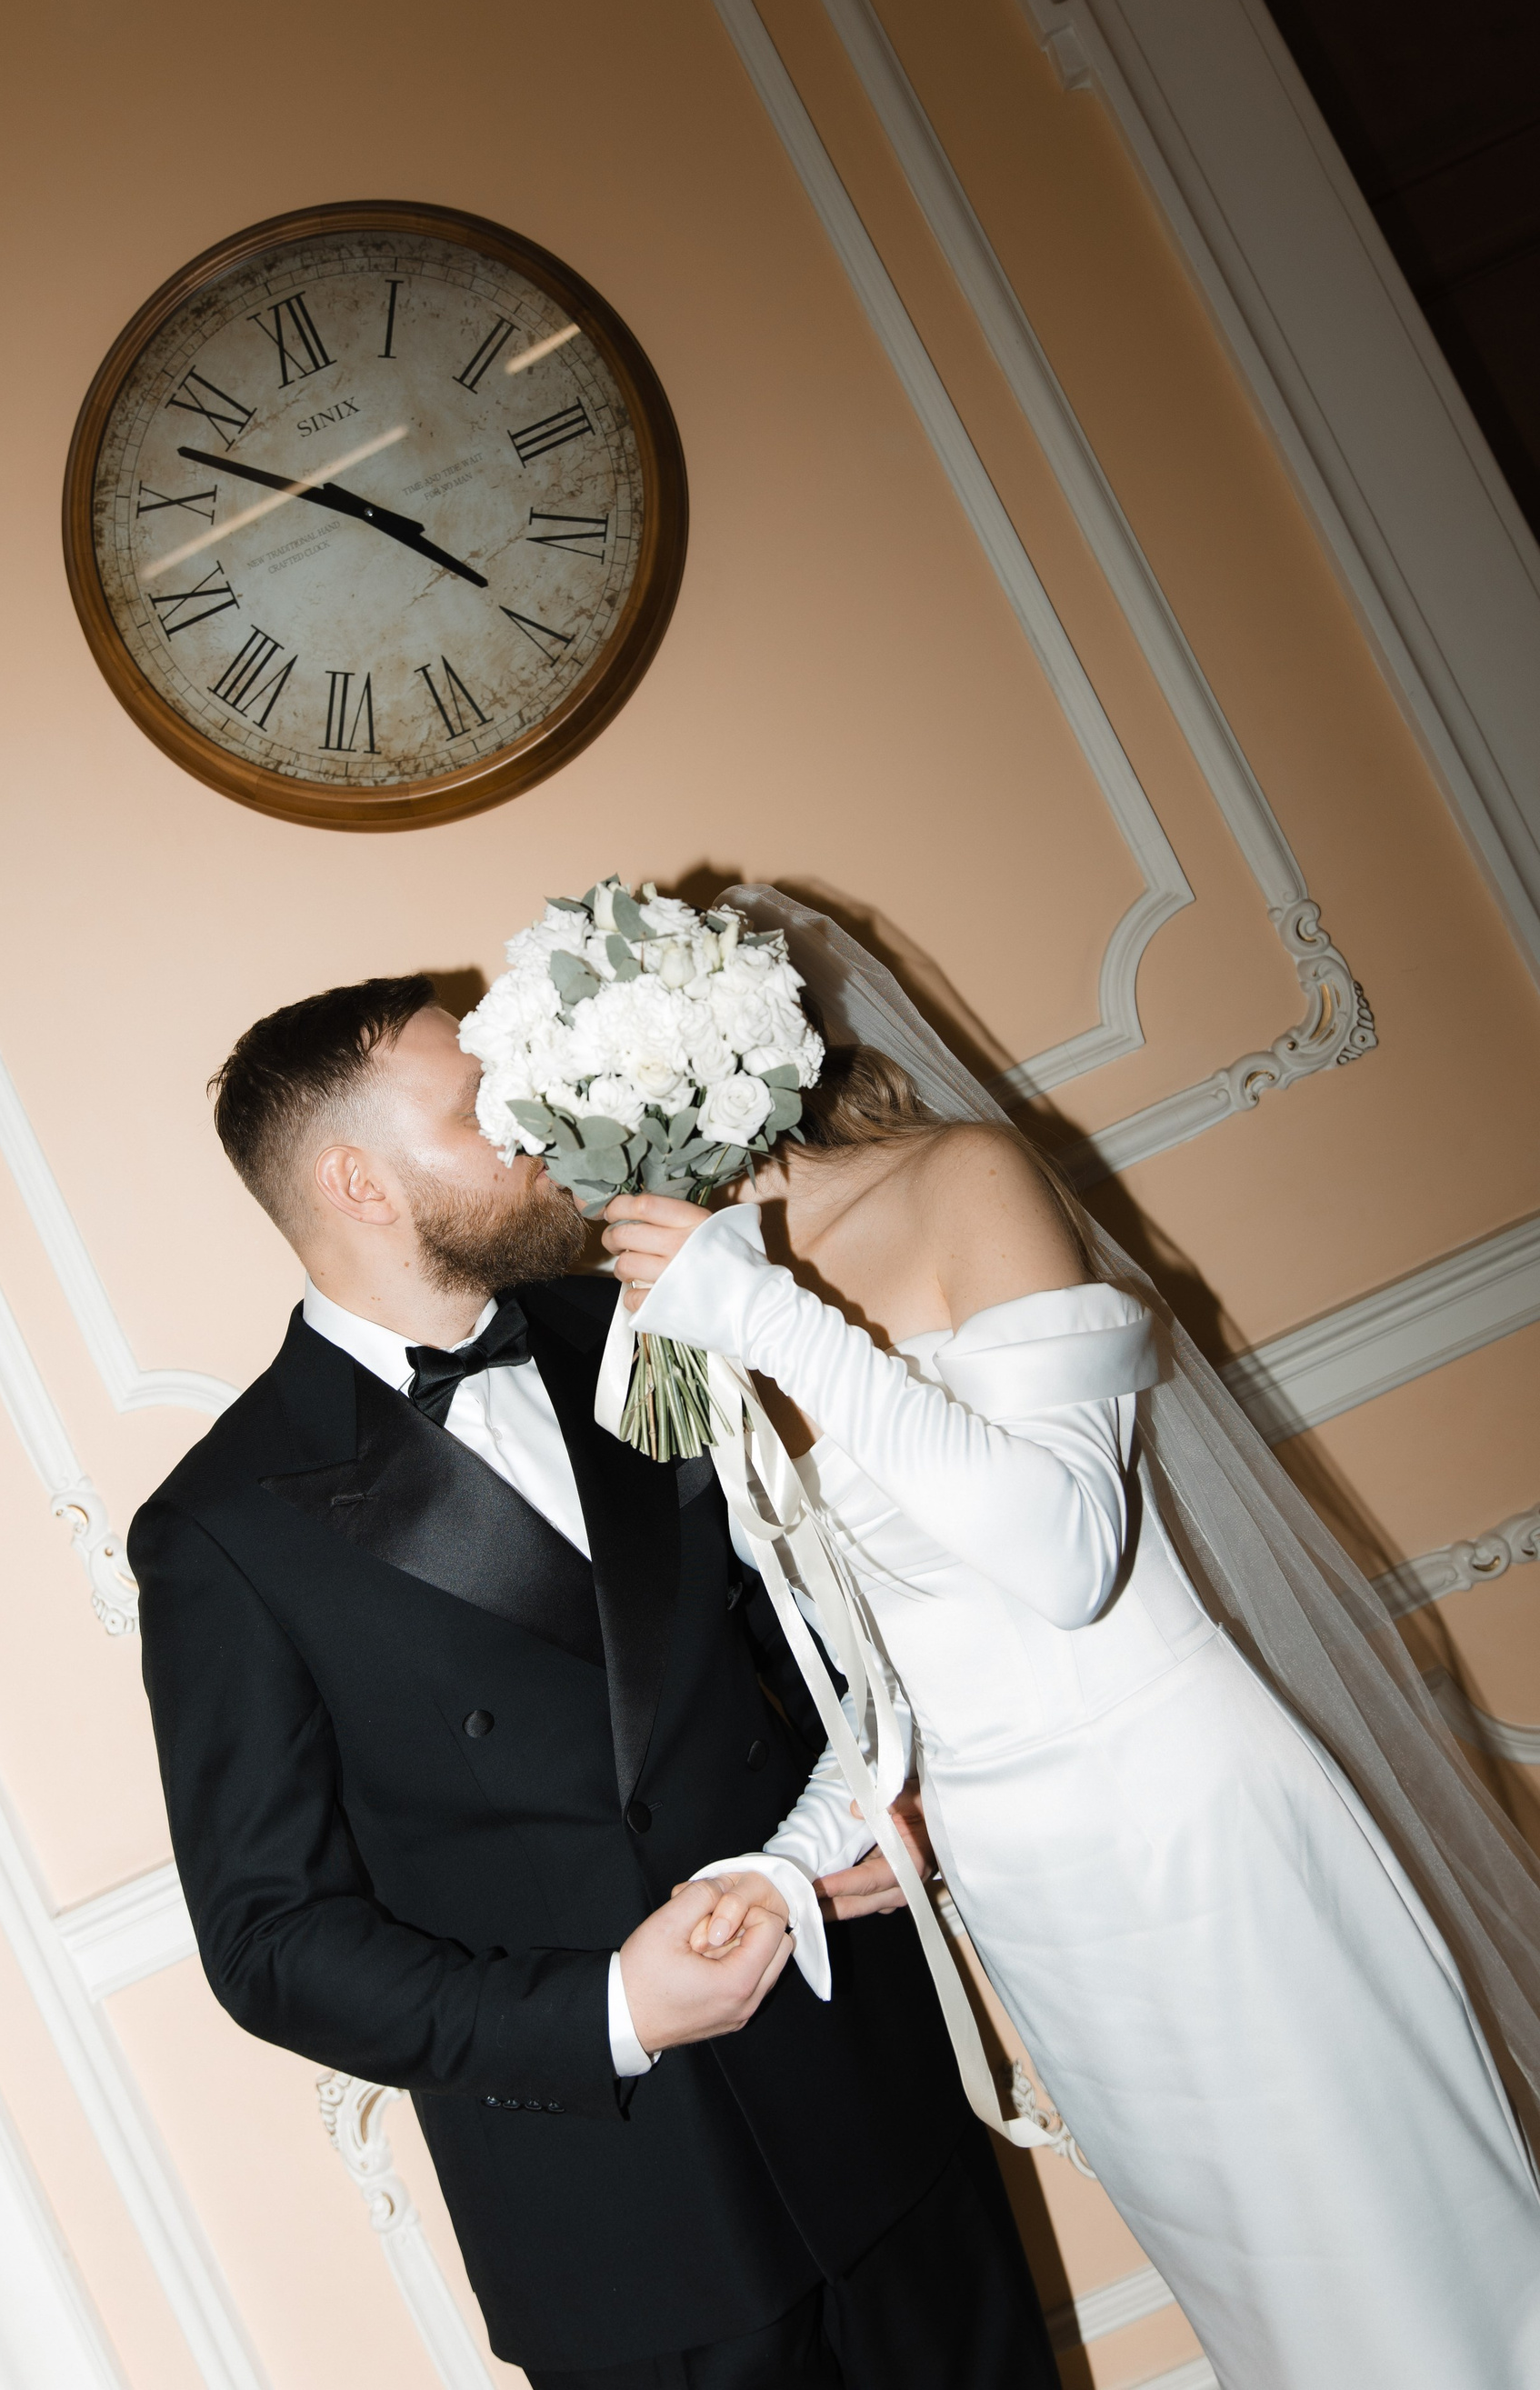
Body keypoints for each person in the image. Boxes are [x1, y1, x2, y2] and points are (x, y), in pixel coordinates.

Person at [127, 975, 1061, 2390]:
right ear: (358, 1183)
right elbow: (271, 1942)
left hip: (873, 2104)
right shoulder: (223, 1528)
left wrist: (882, 1794)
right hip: (632, 2233)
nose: (532, 1126)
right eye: (478, 1109)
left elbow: (782, 1618)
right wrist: (608, 2012)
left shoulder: (625, 1321)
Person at [604, 1019, 1540, 2390]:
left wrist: (769, 1320)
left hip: (1184, 1825)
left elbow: (1065, 1556)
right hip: (1032, 1902)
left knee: (1398, 2269)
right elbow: (896, 1681)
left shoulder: (960, 1179)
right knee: (1278, 2318)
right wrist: (786, 1860)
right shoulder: (703, 1300)